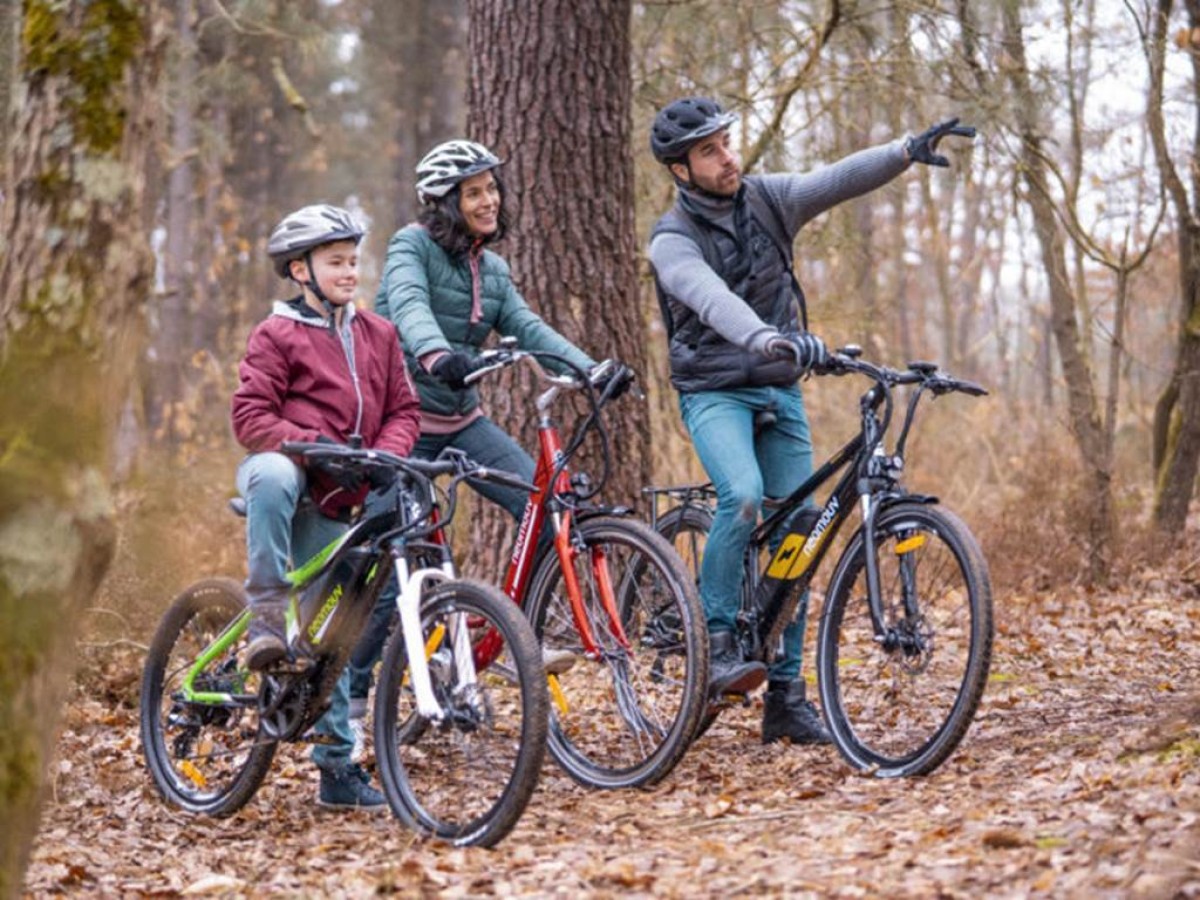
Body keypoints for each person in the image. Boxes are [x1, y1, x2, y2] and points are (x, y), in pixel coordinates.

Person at [647, 97, 973, 745]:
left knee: (805, 527)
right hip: (716, 392)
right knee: (740, 498)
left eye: (727, 143)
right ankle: (716, 639)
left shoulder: (768, 200)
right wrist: (766, 337)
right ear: (680, 170)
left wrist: (904, 150)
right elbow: (708, 300)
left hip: (778, 391)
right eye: (709, 151)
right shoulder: (672, 239)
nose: (727, 157)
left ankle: (787, 697)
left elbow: (834, 178)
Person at [343, 139, 616, 737]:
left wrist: (589, 367)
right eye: (475, 192)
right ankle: (353, 700)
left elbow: (525, 324)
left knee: (548, 508)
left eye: (492, 188)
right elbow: (409, 305)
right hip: (402, 425)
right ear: (445, 201)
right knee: (398, 569)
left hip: (464, 423)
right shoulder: (411, 246)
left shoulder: (493, 269)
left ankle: (517, 639)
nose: (489, 200)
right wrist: (436, 353)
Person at [231, 203, 421, 807]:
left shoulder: (378, 334)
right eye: (335, 262)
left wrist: (379, 458)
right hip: (298, 486)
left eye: (351, 261)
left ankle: (337, 770)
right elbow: (250, 416)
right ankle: (265, 612)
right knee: (268, 471)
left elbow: (404, 412)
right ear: (299, 270)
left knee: (335, 634)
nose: (348, 272)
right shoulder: (276, 333)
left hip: (352, 500)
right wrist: (312, 450)